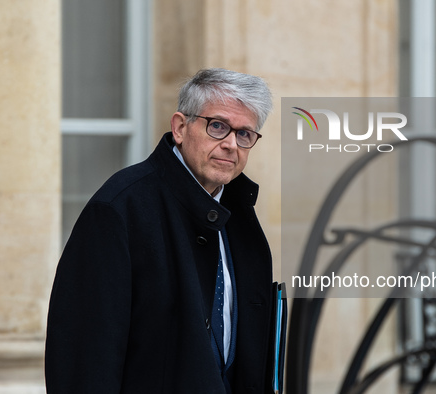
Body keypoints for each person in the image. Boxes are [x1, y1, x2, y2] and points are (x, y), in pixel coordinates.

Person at [45, 68, 274, 393]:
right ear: (180, 127)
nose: (231, 145)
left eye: (245, 134)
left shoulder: (240, 215)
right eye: (218, 126)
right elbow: (85, 362)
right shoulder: (118, 209)